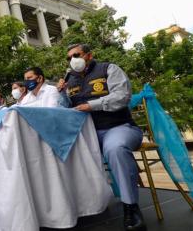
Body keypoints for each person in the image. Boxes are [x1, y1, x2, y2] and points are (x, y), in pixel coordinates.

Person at [57, 43, 145, 231]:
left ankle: (131, 207)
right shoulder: (69, 80)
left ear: (89, 55)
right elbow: (64, 110)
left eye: (76, 55)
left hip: (119, 127)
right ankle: (77, 206)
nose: (73, 60)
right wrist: (61, 93)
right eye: (69, 57)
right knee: (61, 152)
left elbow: (122, 96)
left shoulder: (108, 69)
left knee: (115, 149)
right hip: (87, 135)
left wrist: (92, 105)